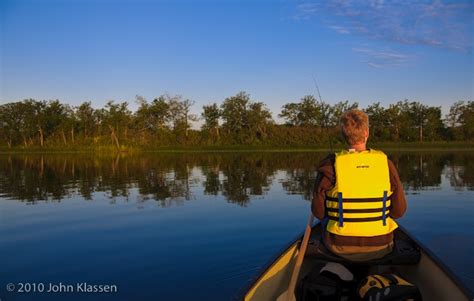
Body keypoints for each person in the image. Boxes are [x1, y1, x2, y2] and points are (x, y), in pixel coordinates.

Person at [311, 109, 407, 261]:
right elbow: (398, 212)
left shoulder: (330, 165)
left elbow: (319, 213)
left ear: (344, 135)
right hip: (382, 245)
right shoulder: (386, 164)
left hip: (338, 246)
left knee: (323, 224)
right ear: (367, 132)